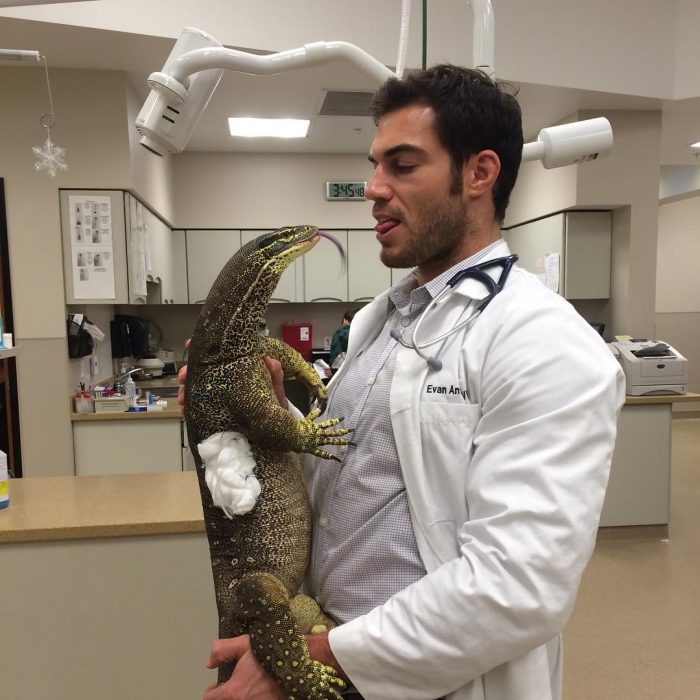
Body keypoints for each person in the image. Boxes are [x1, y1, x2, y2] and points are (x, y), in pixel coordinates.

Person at [180, 64, 624, 700]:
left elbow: (518, 588)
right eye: (375, 164)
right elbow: (348, 489)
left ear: (480, 174)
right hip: (331, 652)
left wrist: (315, 658)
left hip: (428, 676)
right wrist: (257, 421)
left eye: (403, 165)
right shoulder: (374, 325)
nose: (373, 187)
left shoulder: (545, 342)